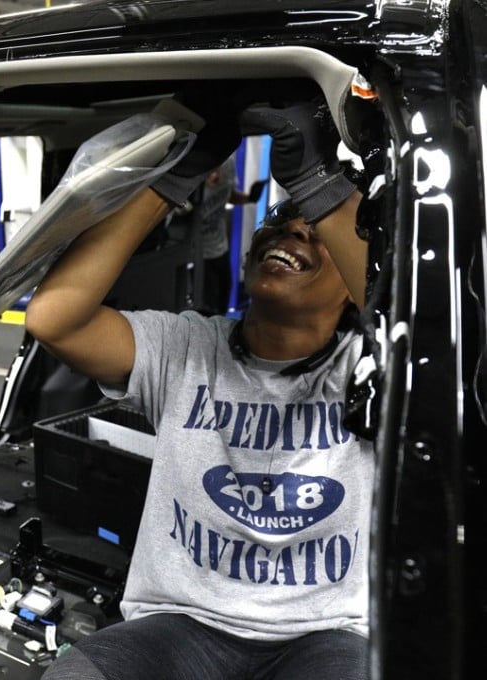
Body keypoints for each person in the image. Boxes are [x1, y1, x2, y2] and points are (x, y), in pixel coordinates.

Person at [26, 95, 373, 680]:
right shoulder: (186, 348)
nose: (291, 231)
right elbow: (53, 319)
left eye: (315, 231)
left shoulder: (373, 364)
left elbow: (437, 333)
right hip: (181, 626)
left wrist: (320, 186)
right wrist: (175, 176)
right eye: (278, 224)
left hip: (325, 636)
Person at [193, 155, 264, 315]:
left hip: (219, 247)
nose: (215, 176)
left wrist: (249, 198)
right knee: (205, 312)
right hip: (196, 254)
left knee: (222, 303)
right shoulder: (191, 173)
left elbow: (227, 194)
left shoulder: (228, 163)